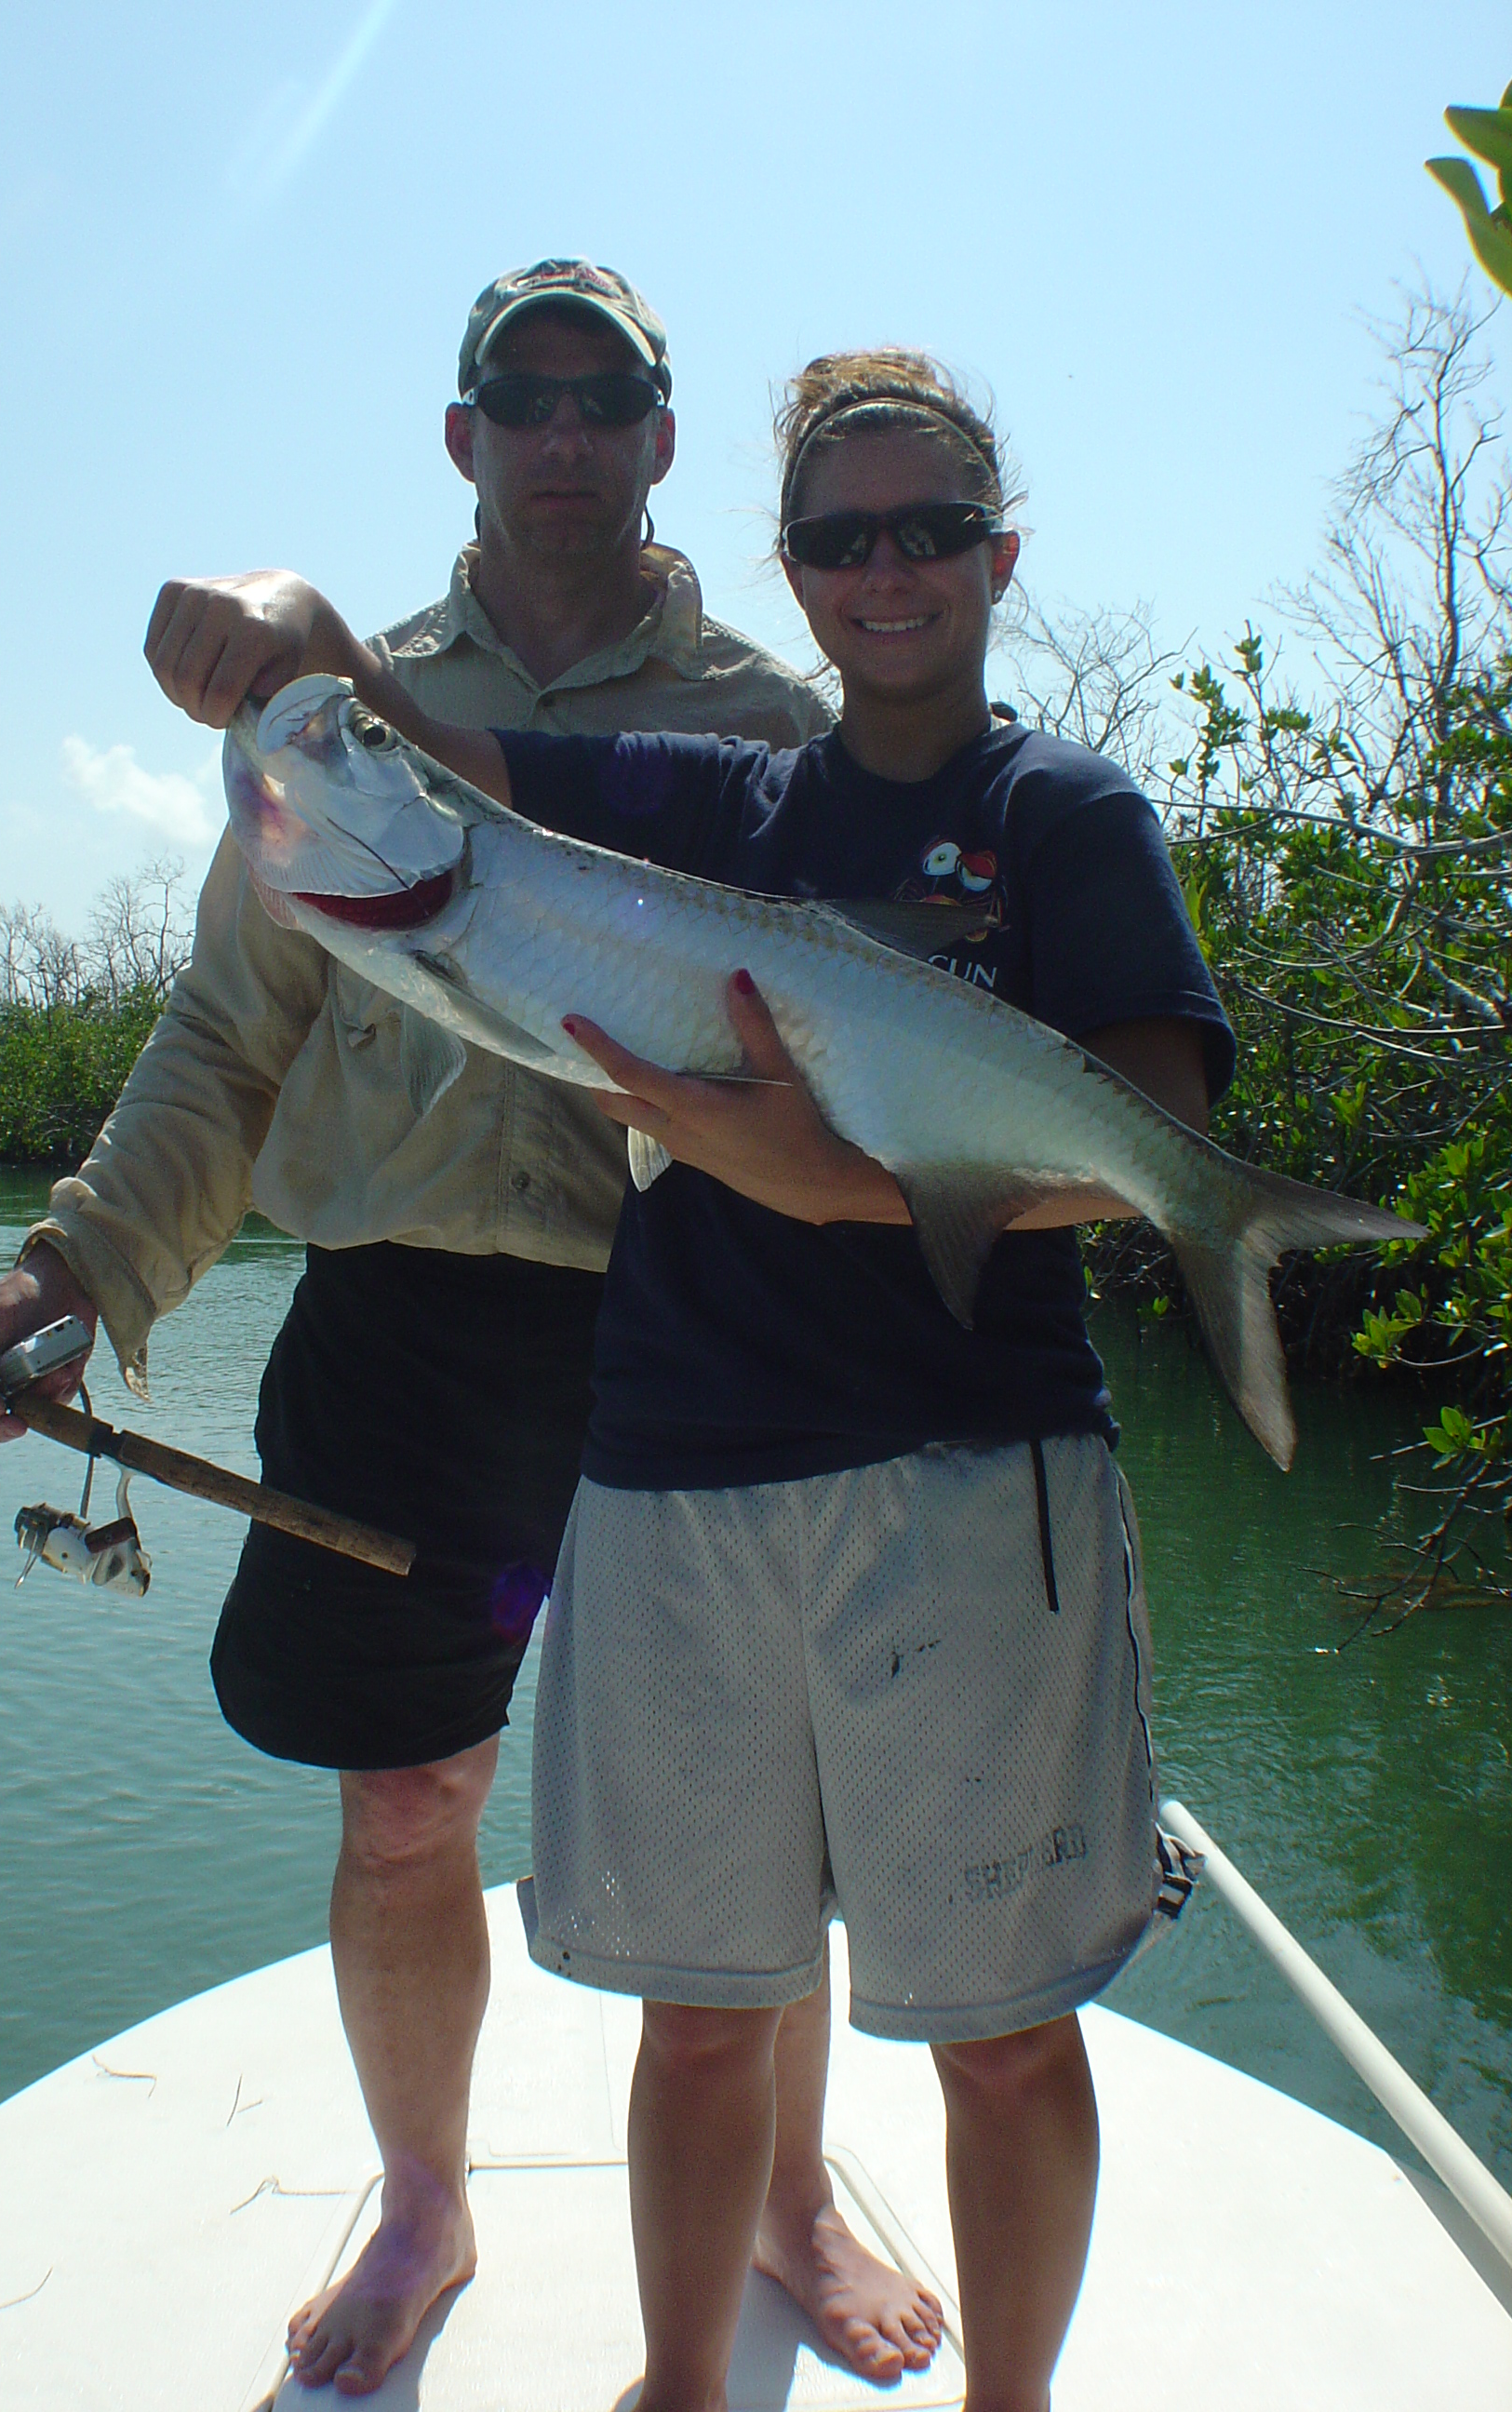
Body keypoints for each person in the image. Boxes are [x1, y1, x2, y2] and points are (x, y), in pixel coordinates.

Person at [0, 267, 944, 2396]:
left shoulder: (775, 723)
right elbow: (226, 1038)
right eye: (524, 397)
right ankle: (424, 2196)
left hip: (710, 1319)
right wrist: (80, 1269)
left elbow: (863, 1072)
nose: (564, 432)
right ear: (464, 433)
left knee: (760, 1813)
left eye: (608, 400)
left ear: (664, 437)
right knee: (408, 1802)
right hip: (396, 1324)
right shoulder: (336, 711)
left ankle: (787, 2189)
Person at [230, 345, 1233, 2412]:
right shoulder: (723, 799)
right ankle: (682, 2392)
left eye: (927, 529)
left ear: (996, 553)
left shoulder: (1067, 813)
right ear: (788, 568)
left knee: (1002, 2030)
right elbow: (454, 771)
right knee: (700, 2012)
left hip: (970, 1470)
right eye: (843, 537)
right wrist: (294, 648)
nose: (887, 571)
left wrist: (826, 1182)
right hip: (676, 1473)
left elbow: (1149, 1137)